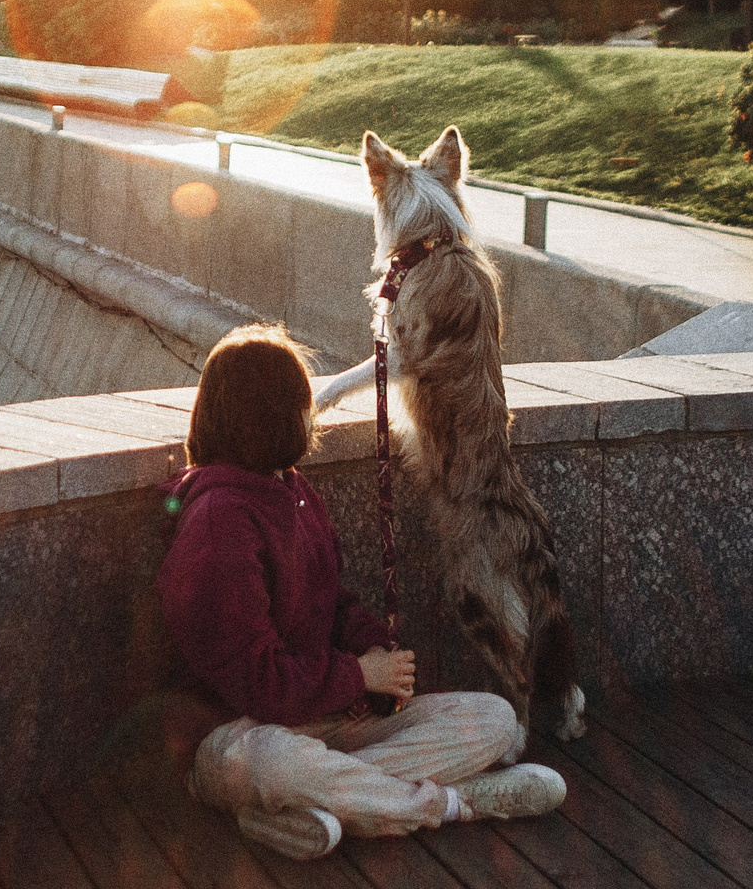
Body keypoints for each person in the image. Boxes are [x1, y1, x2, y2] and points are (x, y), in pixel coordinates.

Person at [157, 324, 567, 861]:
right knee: (277, 765)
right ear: (271, 417)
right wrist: (357, 676)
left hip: (325, 716)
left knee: (492, 720)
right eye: (303, 405)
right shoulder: (218, 523)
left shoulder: (291, 490)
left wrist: (377, 653)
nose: (312, 419)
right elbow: (254, 682)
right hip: (236, 734)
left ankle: (312, 809)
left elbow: (332, 603)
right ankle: (457, 803)